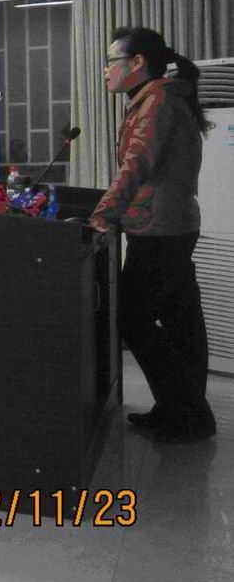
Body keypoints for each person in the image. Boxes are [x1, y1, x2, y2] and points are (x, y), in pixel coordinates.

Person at [91, 26, 216, 443]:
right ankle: (179, 409)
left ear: (137, 62)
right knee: (182, 321)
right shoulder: (158, 96)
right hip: (172, 224)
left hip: (160, 227)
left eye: (111, 61)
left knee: (133, 318)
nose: (106, 70)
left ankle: (191, 413)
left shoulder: (157, 100)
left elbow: (137, 163)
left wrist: (103, 215)